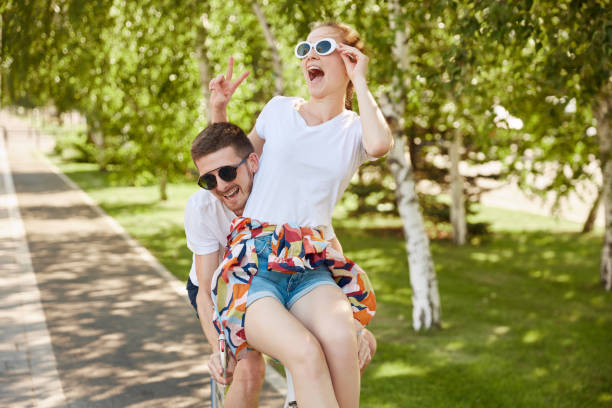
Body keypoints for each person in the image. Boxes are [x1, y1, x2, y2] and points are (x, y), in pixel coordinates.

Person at [208, 21, 392, 407]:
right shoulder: (279, 110)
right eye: (303, 49)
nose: (309, 55)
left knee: (342, 336)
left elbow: (379, 144)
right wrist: (219, 111)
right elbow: (231, 169)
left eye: (322, 46)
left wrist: (360, 81)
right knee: (306, 352)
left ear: (349, 57)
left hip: (310, 266)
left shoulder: (353, 130)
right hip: (255, 267)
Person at [185, 122, 376, 408]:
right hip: (218, 286)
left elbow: (325, 243)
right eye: (208, 181)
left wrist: (354, 324)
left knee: (348, 347)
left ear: (252, 164)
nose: (221, 186)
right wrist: (220, 350)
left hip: (280, 274)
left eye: (226, 173)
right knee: (247, 371)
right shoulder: (203, 208)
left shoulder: (278, 190)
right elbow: (206, 291)